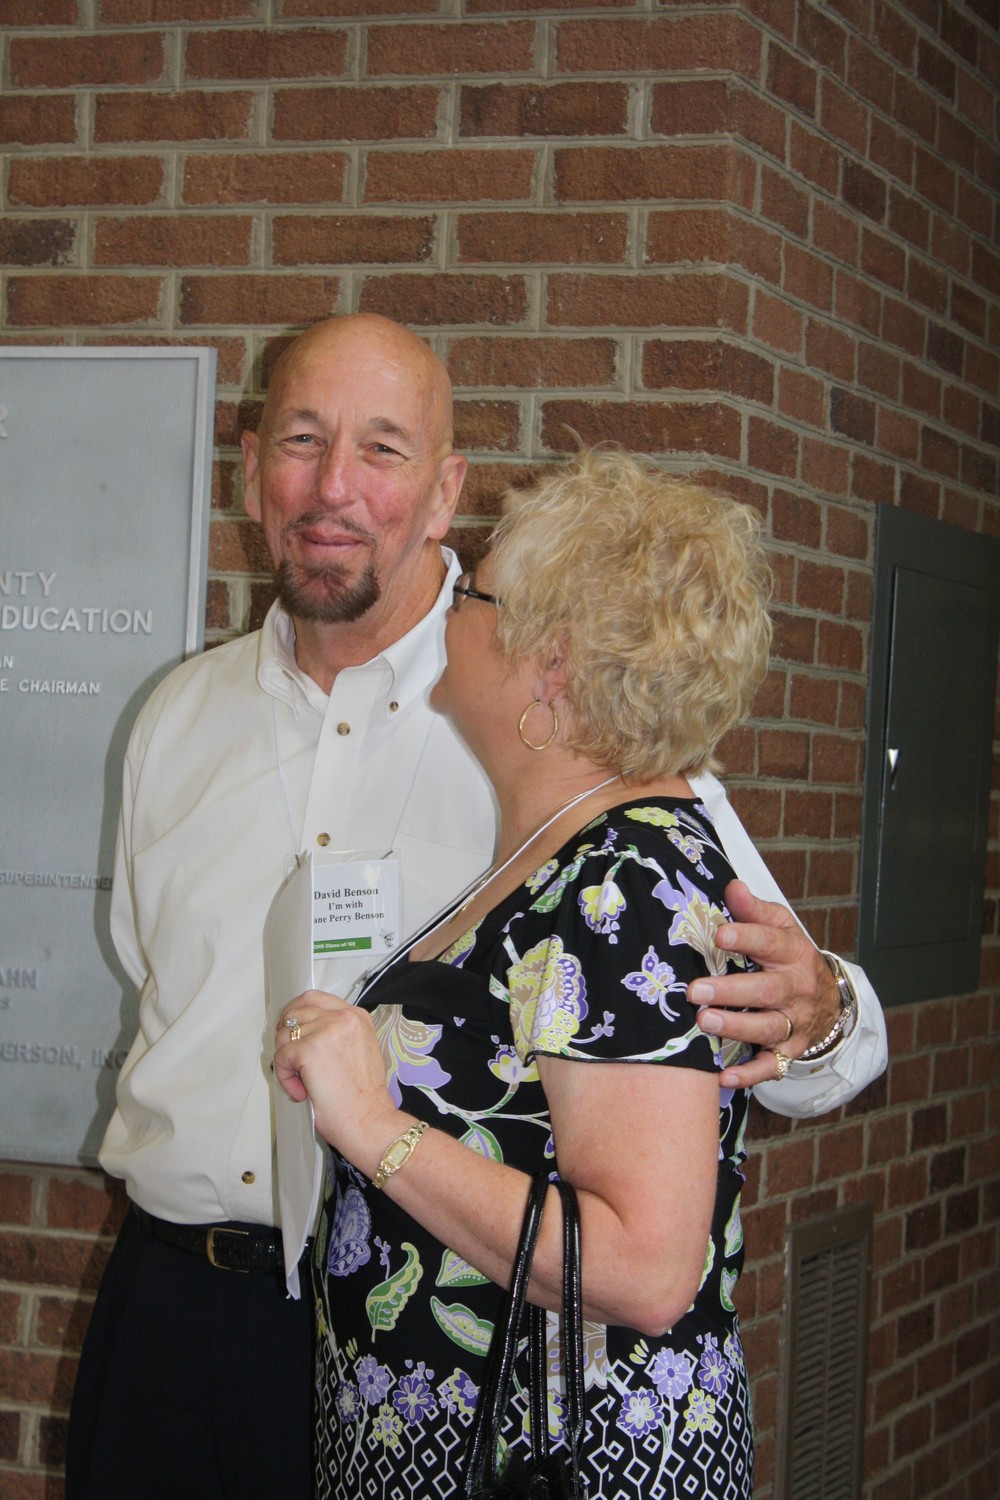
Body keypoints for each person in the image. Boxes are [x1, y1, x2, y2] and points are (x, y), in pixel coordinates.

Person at [66, 315, 885, 1500]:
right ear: (249, 469)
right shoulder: (173, 719)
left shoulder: (575, 729)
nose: (332, 487)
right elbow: (150, 970)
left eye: (382, 449)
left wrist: (823, 1013)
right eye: (300, 440)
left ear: (446, 492)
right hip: (173, 1312)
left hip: (455, 1351)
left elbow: (775, 1034)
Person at [274, 447, 778, 1498]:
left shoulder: (621, 885)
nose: (448, 604)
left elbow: (643, 1269)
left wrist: (373, 1127)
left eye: (475, 592)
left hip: (550, 1463)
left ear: (550, 664)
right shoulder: (563, 856)